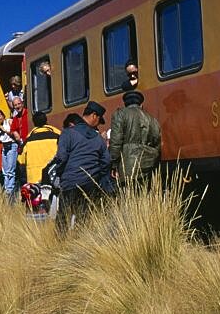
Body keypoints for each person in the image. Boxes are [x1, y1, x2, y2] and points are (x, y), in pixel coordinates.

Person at [51, 101, 111, 233]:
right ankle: (80, 244)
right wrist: (96, 176)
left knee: (64, 216)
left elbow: (61, 157)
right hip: (90, 183)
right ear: (94, 115)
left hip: (70, 182)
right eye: (99, 120)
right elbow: (106, 162)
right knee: (84, 216)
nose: (99, 124)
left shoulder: (68, 133)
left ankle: (59, 245)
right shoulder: (98, 138)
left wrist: (60, 174)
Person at [108, 91, 162, 188]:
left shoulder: (120, 114)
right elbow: (157, 144)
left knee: (128, 196)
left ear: (125, 103)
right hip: (148, 165)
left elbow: (116, 142)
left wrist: (114, 164)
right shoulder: (152, 119)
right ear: (141, 104)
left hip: (128, 166)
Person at [17, 111, 60, 185]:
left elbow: (21, 161)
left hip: (34, 180)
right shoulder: (57, 136)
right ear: (46, 121)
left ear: (34, 123)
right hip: (53, 177)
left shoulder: (28, 140)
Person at [0, 109, 19, 201]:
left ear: (3, 115)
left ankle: (10, 190)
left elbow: (14, 135)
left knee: (11, 170)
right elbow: (0, 140)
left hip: (12, 145)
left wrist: (4, 130)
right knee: (5, 171)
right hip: (4, 147)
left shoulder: (9, 122)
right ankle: (7, 189)